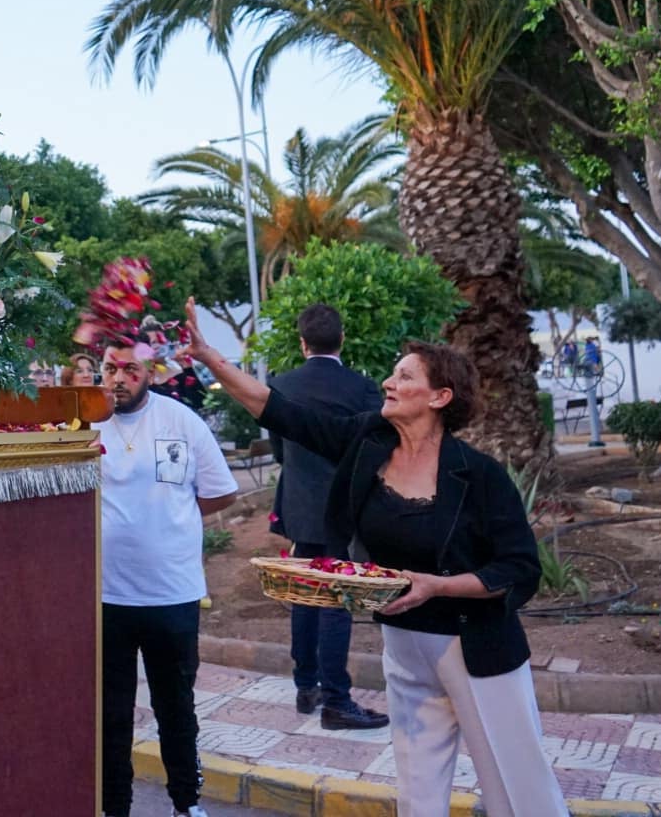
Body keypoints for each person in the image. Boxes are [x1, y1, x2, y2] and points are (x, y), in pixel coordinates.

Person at [183, 298, 563, 815]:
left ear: (439, 397)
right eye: (392, 374)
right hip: (404, 645)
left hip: (476, 648)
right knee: (418, 794)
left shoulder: (479, 474)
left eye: (404, 376)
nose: (388, 382)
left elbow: (519, 569)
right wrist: (210, 358)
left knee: (517, 788)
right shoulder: (367, 442)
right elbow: (282, 412)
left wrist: (437, 585)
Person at [97, 341, 239, 817]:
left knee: (175, 706)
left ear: (152, 373)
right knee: (111, 714)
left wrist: (170, 520)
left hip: (172, 594)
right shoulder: (85, 425)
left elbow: (220, 492)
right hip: (106, 596)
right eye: (110, 368)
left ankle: (186, 803)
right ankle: (115, 807)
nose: (119, 378)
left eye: (130, 369)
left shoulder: (182, 421)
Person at [268, 305, 388, 730]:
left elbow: (279, 451)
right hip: (345, 507)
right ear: (342, 339)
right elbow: (378, 446)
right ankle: (337, 700)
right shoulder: (362, 387)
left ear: (303, 343)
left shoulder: (281, 385)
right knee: (336, 601)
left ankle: (306, 687)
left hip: (300, 505)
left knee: (305, 594)